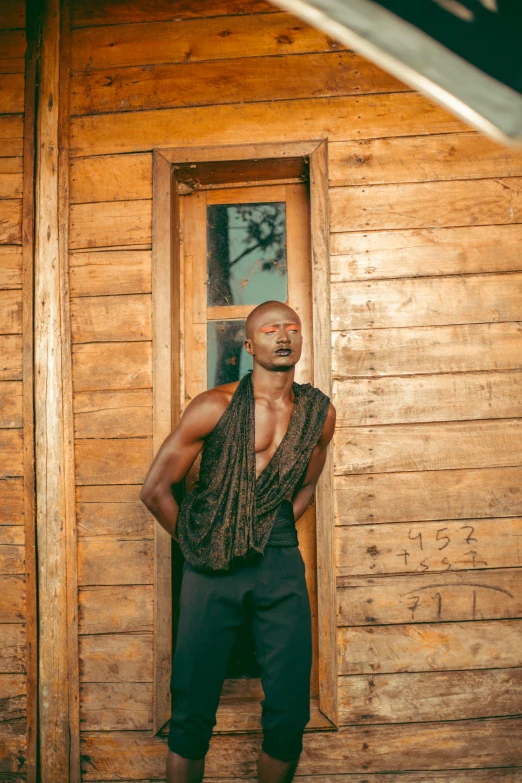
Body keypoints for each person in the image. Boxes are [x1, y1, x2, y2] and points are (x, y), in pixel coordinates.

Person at [140, 300, 336, 783]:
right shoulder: (214, 406)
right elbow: (155, 490)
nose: (283, 336)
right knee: (192, 707)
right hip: (211, 569)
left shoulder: (318, 414)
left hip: (279, 562)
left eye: (292, 328)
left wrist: (266, 530)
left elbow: (307, 485)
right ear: (249, 345)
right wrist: (205, 544)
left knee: (290, 709)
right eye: (270, 330)